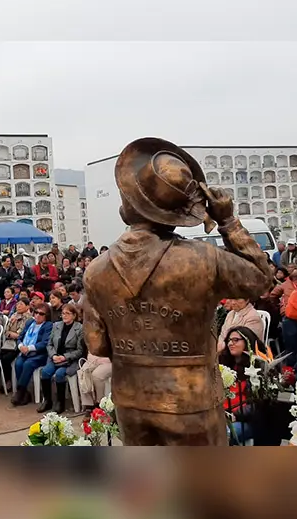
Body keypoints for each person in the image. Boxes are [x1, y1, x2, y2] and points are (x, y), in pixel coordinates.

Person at [82, 137, 272, 446]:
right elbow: (261, 278)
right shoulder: (204, 259)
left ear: (127, 206)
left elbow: (98, 344)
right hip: (191, 401)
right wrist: (227, 220)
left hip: (130, 399)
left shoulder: (96, 270)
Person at [37, 303, 85, 414]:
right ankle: (47, 401)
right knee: (45, 372)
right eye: (63, 313)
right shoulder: (56, 325)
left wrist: (64, 357)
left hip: (69, 360)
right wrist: (54, 356)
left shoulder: (79, 328)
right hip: (55, 357)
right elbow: (49, 344)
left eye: (67, 313)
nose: (64, 316)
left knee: (59, 374)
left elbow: (80, 351)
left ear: (74, 315)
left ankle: (60, 402)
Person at [218, 325, 259, 445]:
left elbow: (256, 406)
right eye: (229, 340)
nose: (231, 343)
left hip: (243, 420)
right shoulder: (223, 363)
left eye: (236, 340)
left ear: (247, 342)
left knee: (220, 435)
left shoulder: (257, 368)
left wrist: (234, 416)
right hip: (220, 416)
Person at [10, 304, 53, 406]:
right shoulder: (30, 322)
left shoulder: (48, 325)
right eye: (36, 313)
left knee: (28, 364)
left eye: (41, 314)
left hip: (39, 354)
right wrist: (20, 346)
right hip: (25, 351)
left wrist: (29, 348)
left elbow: (45, 343)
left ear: (46, 315)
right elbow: (20, 336)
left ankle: (20, 391)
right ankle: (25, 393)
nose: (37, 315)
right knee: (18, 363)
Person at [0, 298, 31, 392]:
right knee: (1, 356)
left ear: (27, 306)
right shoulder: (13, 315)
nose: (19, 306)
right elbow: (6, 331)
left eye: (21, 304)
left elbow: (21, 334)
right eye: (17, 304)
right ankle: (7, 380)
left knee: (6, 358)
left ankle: (10, 382)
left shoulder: (29, 318)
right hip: (9, 342)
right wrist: (11, 333)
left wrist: (14, 334)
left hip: (20, 343)